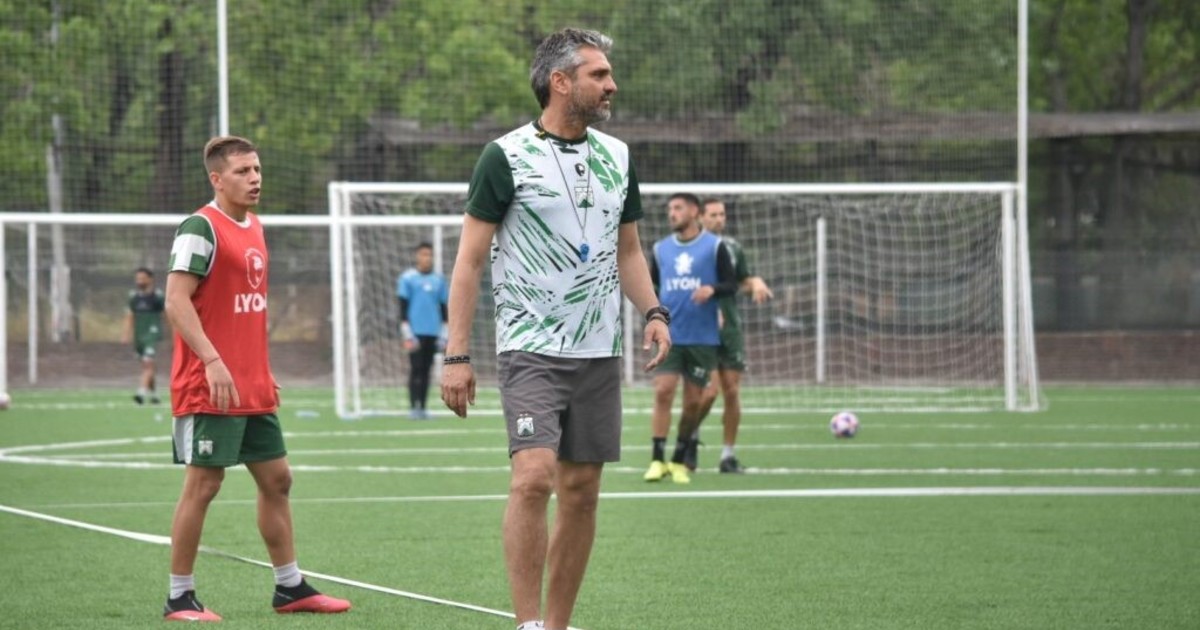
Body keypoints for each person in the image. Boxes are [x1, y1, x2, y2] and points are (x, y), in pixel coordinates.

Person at [440, 28, 670, 630]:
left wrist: (653, 312)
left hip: (599, 350)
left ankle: (557, 624)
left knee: (583, 491)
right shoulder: (504, 156)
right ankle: (528, 623)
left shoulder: (618, 157)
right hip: (531, 348)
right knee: (533, 479)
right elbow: (469, 261)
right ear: (560, 82)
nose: (611, 85)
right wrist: (456, 354)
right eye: (599, 74)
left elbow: (628, 251)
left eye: (609, 74)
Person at [161, 135, 350, 621]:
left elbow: (243, 311)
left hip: (251, 385)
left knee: (278, 479)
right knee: (204, 484)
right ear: (216, 179)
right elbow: (176, 302)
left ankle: (290, 587)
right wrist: (212, 361)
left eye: (257, 169)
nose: (254, 179)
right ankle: (179, 596)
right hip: (208, 384)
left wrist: (258, 371)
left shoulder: (256, 226)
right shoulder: (200, 228)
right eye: (242, 171)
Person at [643, 193, 738, 484]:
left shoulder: (715, 246)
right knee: (663, 391)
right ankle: (657, 459)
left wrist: (713, 290)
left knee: (694, 402)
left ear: (694, 211)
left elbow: (731, 283)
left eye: (678, 208)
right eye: (670, 208)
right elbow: (651, 286)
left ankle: (679, 460)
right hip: (671, 334)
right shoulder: (660, 249)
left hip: (702, 336)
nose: (672, 213)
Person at [694, 198, 773, 473]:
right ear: (700, 217)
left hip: (730, 329)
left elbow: (741, 282)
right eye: (713, 214)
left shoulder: (733, 248)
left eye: (722, 214)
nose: (719, 219)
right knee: (709, 393)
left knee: (732, 391)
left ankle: (728, 455)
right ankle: (690, 435)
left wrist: (756, 282)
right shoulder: (690, 249)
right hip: (700, 327)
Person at [397, 241, 448, 419]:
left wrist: (444, 333)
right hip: (414, 332)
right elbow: (403, 308)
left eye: (429, 255)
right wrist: (407, 333)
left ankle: (423, 408)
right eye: (423, 254)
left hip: (432, 332)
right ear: (417, 256)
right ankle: (413, 407)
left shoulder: (438, 280)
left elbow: (444, 308)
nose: (427, 258)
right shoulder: (408, 279)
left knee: (427, 370)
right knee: (416, 369)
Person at [122, 267, 166, 405]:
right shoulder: (134, 297)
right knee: (148, 366)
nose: (139, 281)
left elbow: (167, 314)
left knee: (148, 364)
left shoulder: (157, 296)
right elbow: (129, 316)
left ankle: (141, 393)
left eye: (142, 278)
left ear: (150, 279)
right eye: (137, 278)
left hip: (152, 334)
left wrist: (175, 333)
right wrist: (126, 334)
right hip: (139, 336)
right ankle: (155, 394)